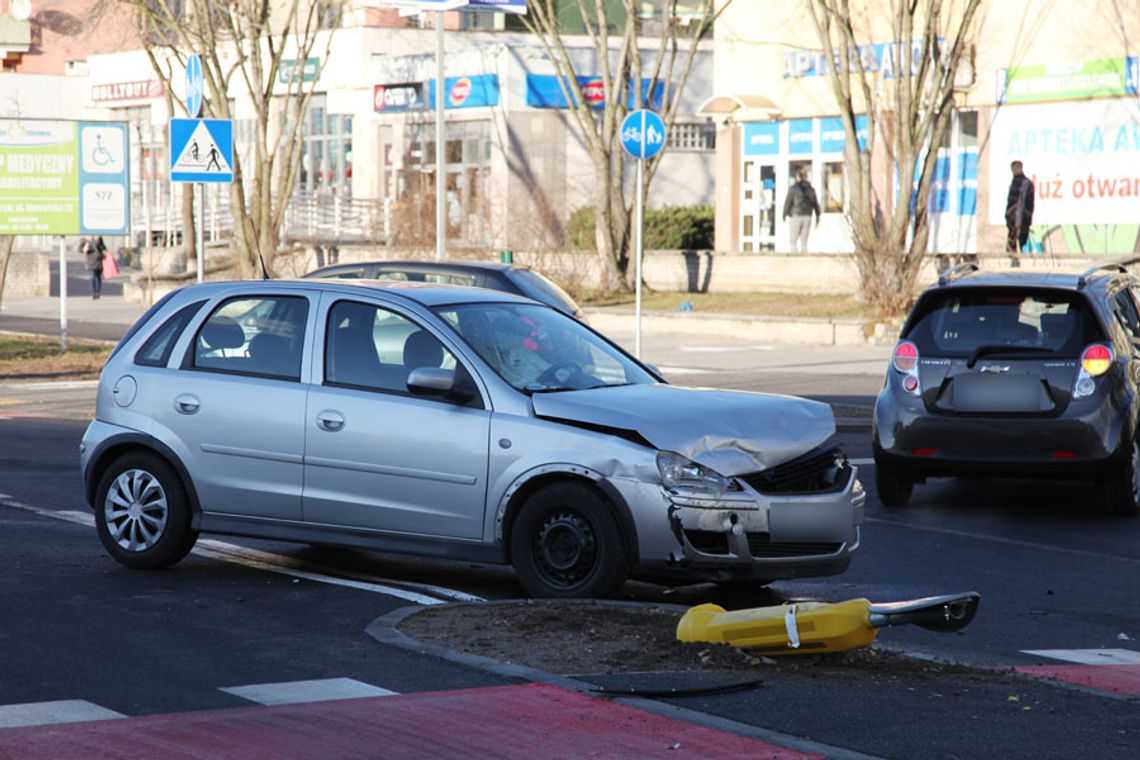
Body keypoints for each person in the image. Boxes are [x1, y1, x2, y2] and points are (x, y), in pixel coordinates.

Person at [782, 169, 821, 253]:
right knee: (804, 242)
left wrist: (784, 215)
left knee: (793, 241)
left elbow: (788, 202)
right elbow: (816, 205)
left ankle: (795, 259)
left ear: (798, 177)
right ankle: (804, 260)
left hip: (796, 215)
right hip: (807, 216)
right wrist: (818, 218)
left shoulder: (793, 189)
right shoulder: (811, 189)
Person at [1005, 160, 1035, 253]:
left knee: (1022, 242)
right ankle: (1014, 261)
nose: (1014, 170)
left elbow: (1024, 203)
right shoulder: (1014, 182)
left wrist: (1020, 220)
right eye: (1013, 168)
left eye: (1016, 168)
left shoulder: (1025, 183)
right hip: (1012, 219)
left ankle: (1021, 261)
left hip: (1021, 219)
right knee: (1012, 244)